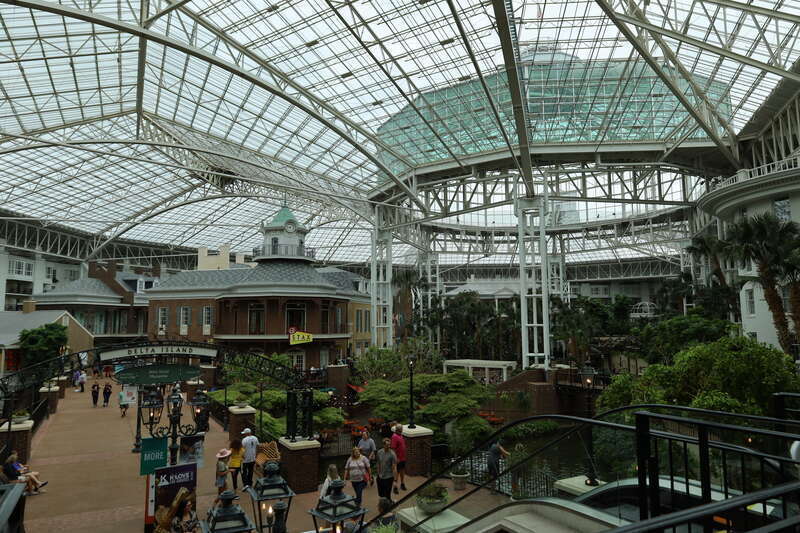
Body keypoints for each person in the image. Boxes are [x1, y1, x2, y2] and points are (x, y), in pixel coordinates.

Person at [390, 425, 407, 493]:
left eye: (402, 429)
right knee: (396, 473)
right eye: (400, 429)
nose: (402, 430)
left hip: (403, 458)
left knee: (402, 471)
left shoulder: (401, 435)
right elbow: (393, 449)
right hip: (398, 459)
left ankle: (402, 484)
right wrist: (396, 458)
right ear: (397, 429)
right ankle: (395, 487)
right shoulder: (394, 437)